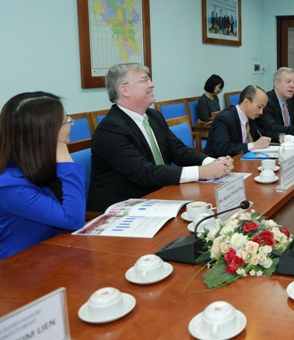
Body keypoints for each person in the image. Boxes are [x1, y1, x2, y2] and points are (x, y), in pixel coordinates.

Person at [89, 64, 232, 212]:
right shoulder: (110, 129)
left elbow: (179, 151)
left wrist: (214, 163)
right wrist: (203, 172)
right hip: (124, 208)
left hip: (161, 195)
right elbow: (145, 173)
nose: (152, 84)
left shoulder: (154, 116)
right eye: (144, 80)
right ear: (124, 90)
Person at [0, 92, 86, 259]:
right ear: (44, 132)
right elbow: (74, 220)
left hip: (57, 250)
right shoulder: (9, 185)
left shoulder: (39, 163)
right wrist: (67, 162)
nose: (71, 124)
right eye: (65, 120)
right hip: (21, 265)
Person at [204, 85, 282, 158]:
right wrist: (253, 145)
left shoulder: (249, 117)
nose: (261, 112)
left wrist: (280, 137)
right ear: (246, 102)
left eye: (263, 108)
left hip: (241, 160)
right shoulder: (224, 118)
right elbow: (221, 148)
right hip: (218, 163)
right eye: (259, 107)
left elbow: (260, 133)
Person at [255, 67, 294, 135]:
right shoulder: (267, 101)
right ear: (277, 84)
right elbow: (272, 128)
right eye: (288, 81)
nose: (292, 86)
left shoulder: (288, 100)